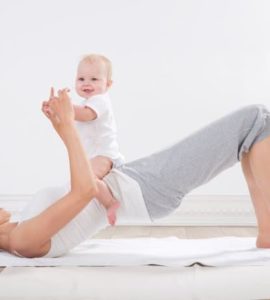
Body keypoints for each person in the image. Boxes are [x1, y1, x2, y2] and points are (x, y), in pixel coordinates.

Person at [1, 89, 270, 258]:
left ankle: (267, 236)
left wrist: (65, 125)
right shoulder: (22, 241)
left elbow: (87, 184)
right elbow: (85, 191)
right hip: (145, 190)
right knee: (257, 118)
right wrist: (66, 128)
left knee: (252, 130)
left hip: (133, 179)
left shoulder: (22, 226)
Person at [43, 54, 125, 226]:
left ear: (108, 84)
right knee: (82, 182)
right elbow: (69, 123)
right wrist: (55, 112)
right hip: (91, 156)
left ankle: (110, 203)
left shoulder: (100, 101)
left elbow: (86, 115)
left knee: (87, 180)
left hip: (105, 154)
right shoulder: (85, 103)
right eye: (81, 78)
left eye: (94, 79)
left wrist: (65, 107)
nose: (86, 83)